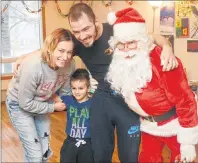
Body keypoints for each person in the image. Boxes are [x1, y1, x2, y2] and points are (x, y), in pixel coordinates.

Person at [14, 3, 178, 163]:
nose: (82, 36)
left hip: (128, 102)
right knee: (100, 155)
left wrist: (167, 47)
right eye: (76, 31)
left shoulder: (117, 30)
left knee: (129, 156)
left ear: (96, 21)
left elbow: (153, 36)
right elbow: (51, 48)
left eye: (86, 29)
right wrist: (23, 58)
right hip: (101, 101)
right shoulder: (77, 42)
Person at [106, 7, 198, 163]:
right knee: (148, 158)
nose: (126, 49)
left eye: (131, 43)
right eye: (121, 44)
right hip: (148, 126)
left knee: (181, 159)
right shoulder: (121, 61)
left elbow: (186, 101)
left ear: (142, 41)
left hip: (173, 125)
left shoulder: (162, 61)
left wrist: (187, 143)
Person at [6, 28, 76, 162]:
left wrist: (74, 106)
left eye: (69, 52)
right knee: (35, 155)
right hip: (19, 105)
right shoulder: (33, 66)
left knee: (44, 153)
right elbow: (25, 103)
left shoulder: (70, 64)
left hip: (43, 101)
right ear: (50, 48)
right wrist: (53, 107)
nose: (66, 57)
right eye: (61, 51)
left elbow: (66, 93)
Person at [53, 68, 93, 163]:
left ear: (88, 88)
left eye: (81, 88)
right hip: (70, 142)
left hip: (88, 144)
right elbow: (53, 96)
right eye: (74, 88)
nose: (77, 92)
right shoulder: (69, 100)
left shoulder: (94, 103)